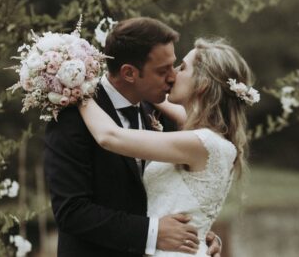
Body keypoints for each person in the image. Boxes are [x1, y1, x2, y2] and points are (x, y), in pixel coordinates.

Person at [43, 18, 224, 257]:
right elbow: (72, 211)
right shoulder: (73, 115)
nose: (173, 77)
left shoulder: (163, 112)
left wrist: (198, 234)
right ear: (129, 72)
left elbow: (173, 191)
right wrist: (153, 232)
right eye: (163, 70)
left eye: (174, 66)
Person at [78, 37, 255, 256]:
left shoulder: (202, 143)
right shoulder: (208, 134)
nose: (172, 75)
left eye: (182, 68)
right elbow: (160, 101)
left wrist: (75, 86)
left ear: (202, 85)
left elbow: (109, 136)